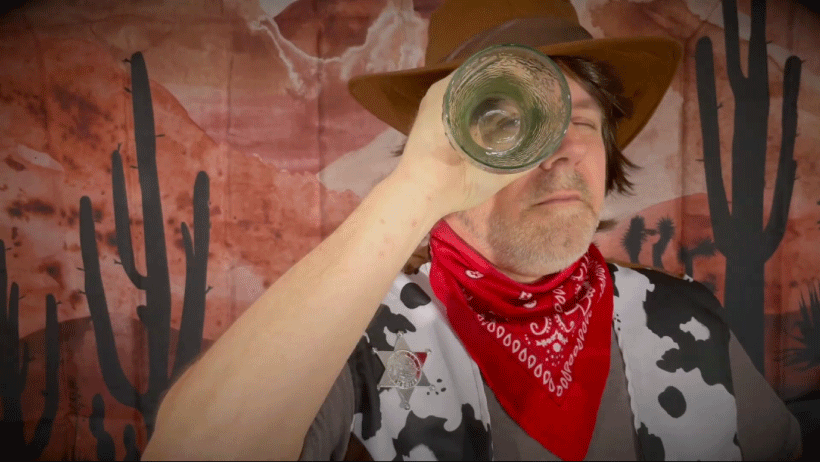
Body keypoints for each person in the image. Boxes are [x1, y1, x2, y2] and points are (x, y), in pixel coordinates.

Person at [142, 0, 802, 460]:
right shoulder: (367, 343)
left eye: (582, 122)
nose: (559, 151)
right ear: (447, 147)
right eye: (514, 126)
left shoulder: (690, 320)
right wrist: (414, 193)